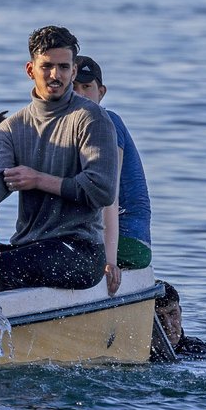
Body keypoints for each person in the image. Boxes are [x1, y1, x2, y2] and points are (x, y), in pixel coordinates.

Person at [0, 25, 119, 293]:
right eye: (47, 66)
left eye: (63, 67)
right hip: (28, 246)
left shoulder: (92, 118)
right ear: (30, 70)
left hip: (80, 251)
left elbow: (102, 190)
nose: (55, 75)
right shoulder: (9, 129)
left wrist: (37, 180)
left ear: (72, 70)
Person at [73, 55, 152, 271]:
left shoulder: (108, 123)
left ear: (101, 92)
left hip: (128, 242)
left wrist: (109, 262)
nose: (79, 93)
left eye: (86, 86)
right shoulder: (75, 128)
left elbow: (111, 195)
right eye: (73, 86)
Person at [155, 280, 206, 359]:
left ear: (181, 312)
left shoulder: (197, 350)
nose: (167, 325)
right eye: (159, 317)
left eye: (172, 314)